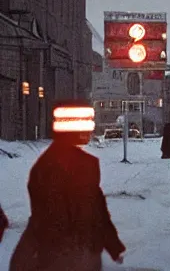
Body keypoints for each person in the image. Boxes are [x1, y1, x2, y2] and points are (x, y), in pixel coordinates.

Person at [9, 101, 125, 271]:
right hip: (77, 251)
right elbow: (96, 211)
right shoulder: (81, 166)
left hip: (59, 251)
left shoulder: (44, 166)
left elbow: (41, 217)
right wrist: (112, 245)